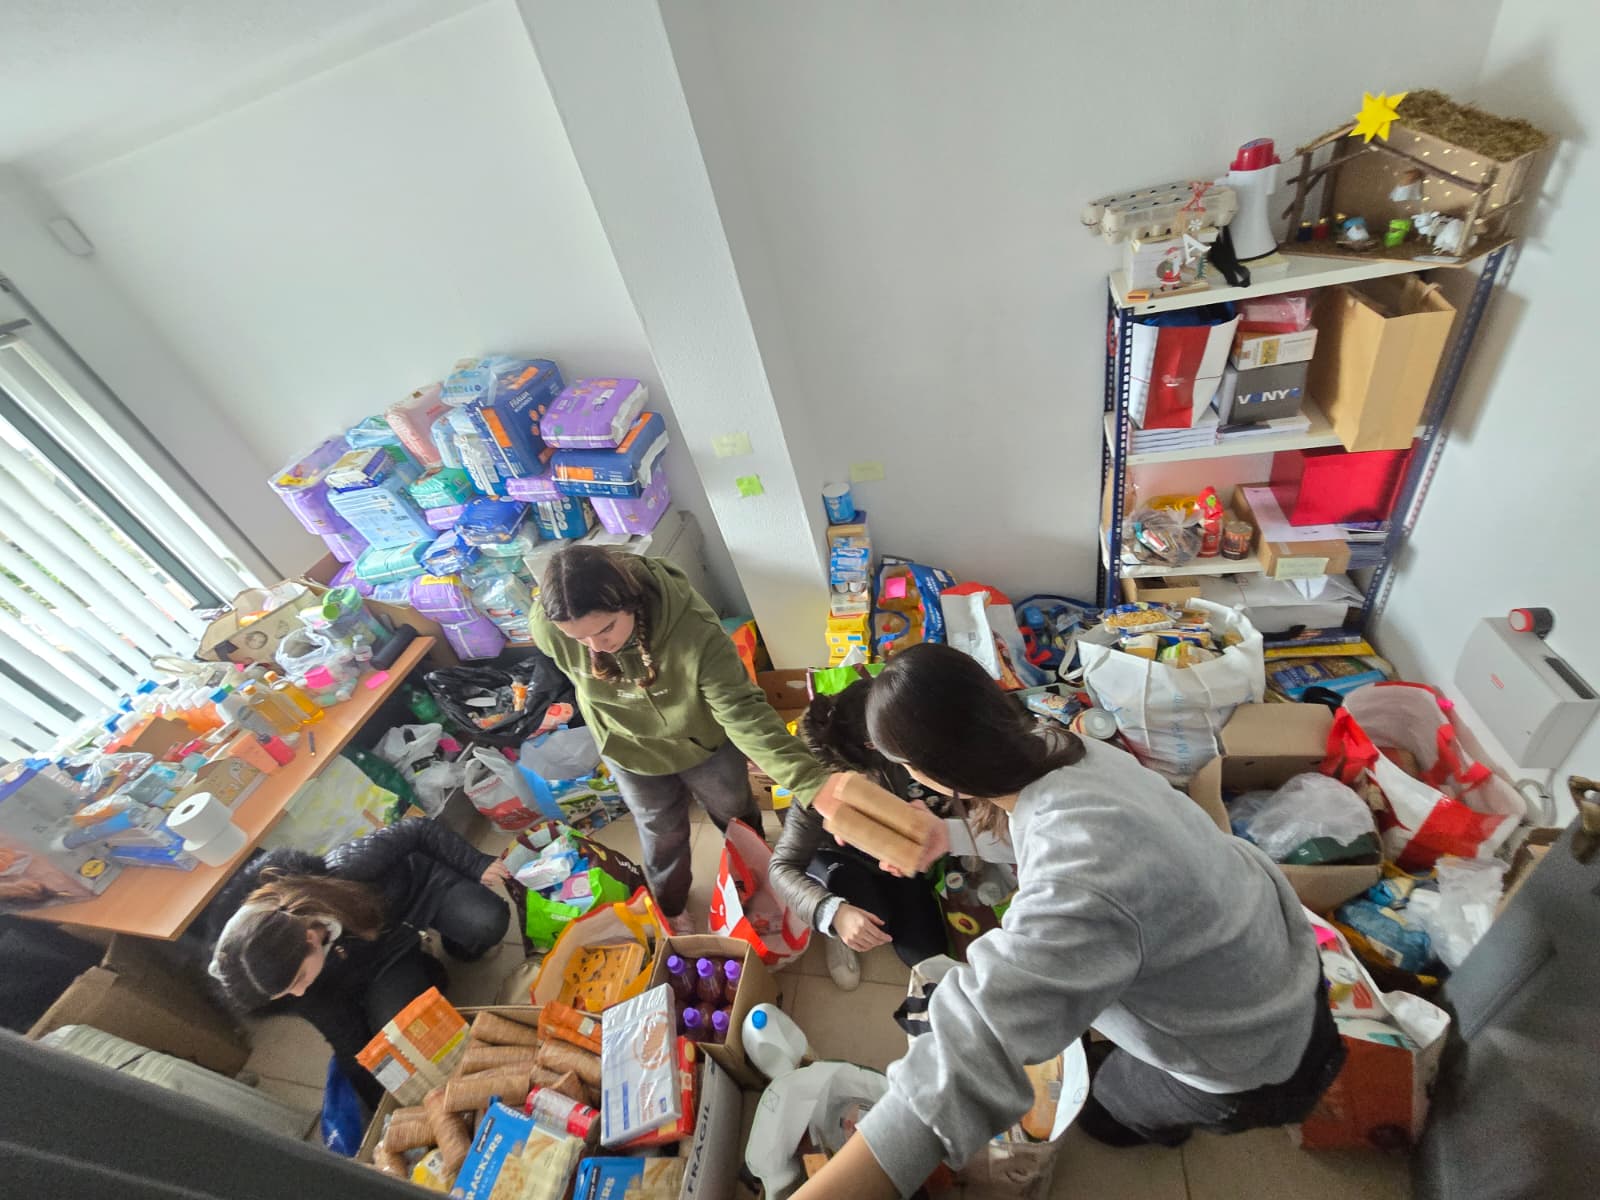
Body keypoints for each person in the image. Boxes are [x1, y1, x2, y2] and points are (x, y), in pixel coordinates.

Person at [799, 644, 1343, 1200]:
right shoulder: (1069, 747)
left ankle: (1157, 1127)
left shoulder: (1078, 883)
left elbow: (963, 1059)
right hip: (1282, 957)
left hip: (1250, 1057)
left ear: (928, 772)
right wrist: (951, 835)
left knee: (1109, 1110)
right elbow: (1047, 833)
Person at [531, 545, 856, 933]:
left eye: (605, 630)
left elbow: (742, 711)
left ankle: (755, 884)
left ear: (631, 602)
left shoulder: (694, 631)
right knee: (659, 832)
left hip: (704, 745)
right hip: (629, 749)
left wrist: (810, 782)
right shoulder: (549, 628)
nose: (596, 647)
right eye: (579, 639)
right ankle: (670, 905)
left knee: (736, 817)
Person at [206, 819, 510, 1108]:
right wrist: (385, 1105)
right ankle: (426, 966)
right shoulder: (287, 980)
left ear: (310, 938)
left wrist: (475, 864)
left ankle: (457, 943)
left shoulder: (342, 873)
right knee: (402, 1031)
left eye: (298, 981)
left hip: (417, 893)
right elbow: (348, 1041)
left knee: (486, 921)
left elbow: (417, 830)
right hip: (383, 961)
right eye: (288, 991)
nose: (298, 993)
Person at [768, 679, 947, 990]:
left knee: (927, 951)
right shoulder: (819, 787)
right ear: (870, 746)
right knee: (872, 917)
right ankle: (833, 932)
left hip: (886, 847)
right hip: (836, 855)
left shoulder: (891, 744)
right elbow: (780, 868)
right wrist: (832, 912)